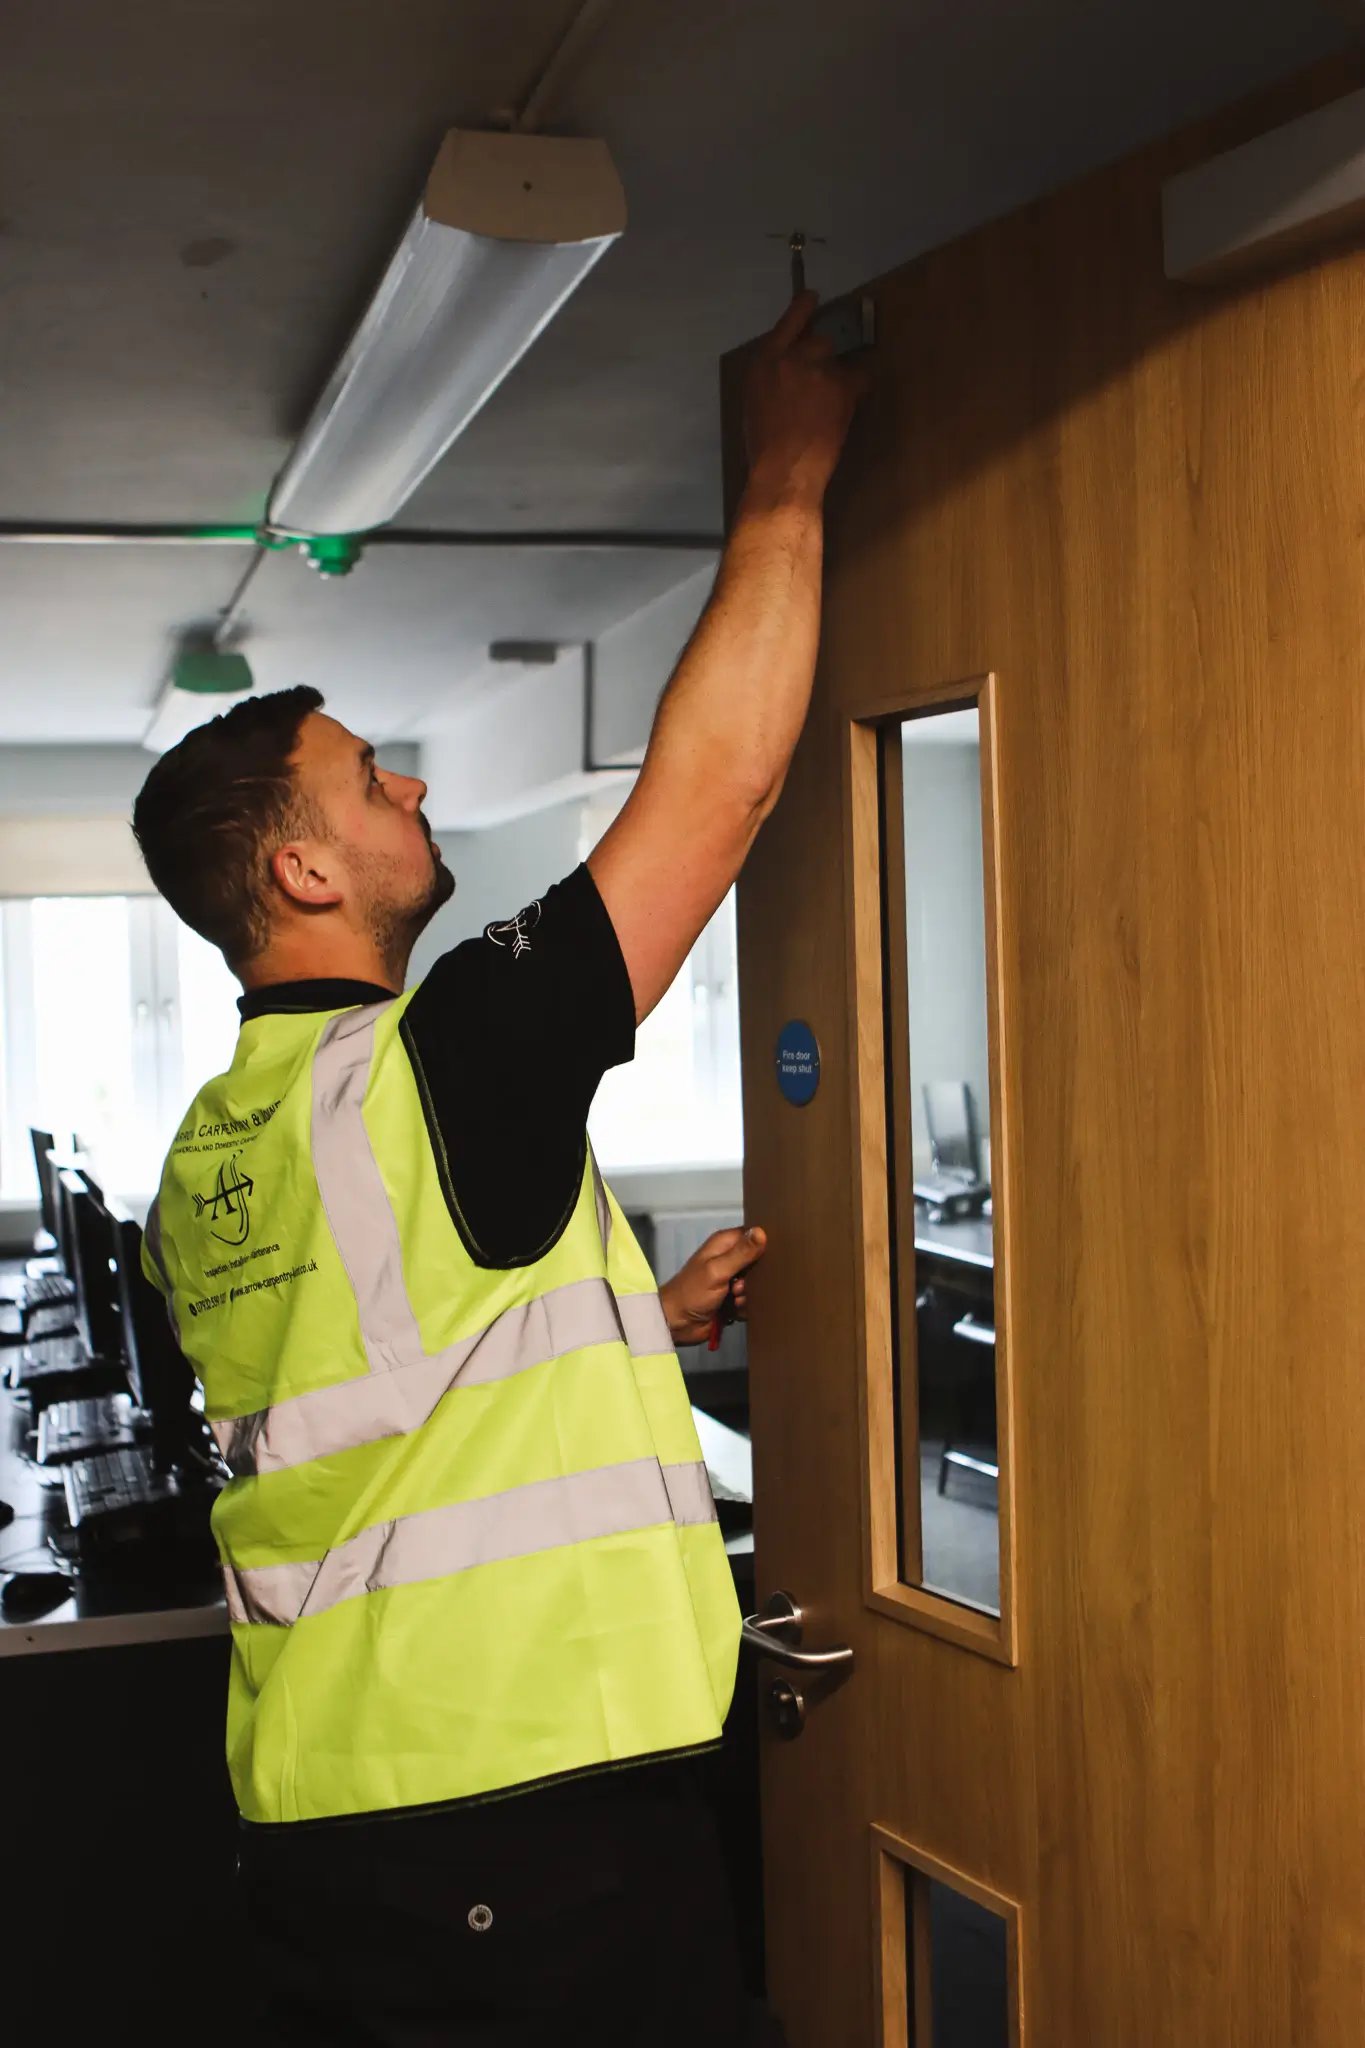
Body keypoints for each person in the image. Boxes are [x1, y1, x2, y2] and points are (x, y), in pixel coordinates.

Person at [130, 289, 864, 2047]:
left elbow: (380, 1383)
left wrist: (631, 1315)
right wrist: (782, 481)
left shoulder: (212, 1149)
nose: (413, 796)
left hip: (325, 1821)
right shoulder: (440, 1059)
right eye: (369, 784)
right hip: (517, 1835)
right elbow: (723, 789)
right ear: (301, 874)